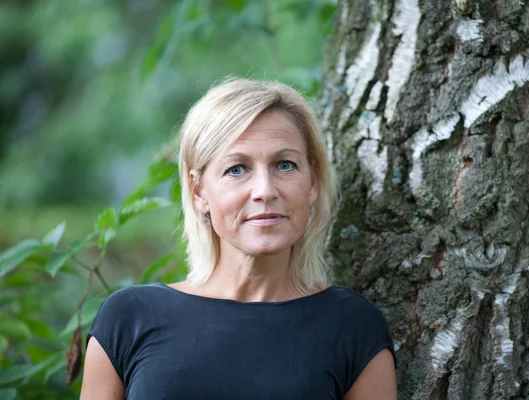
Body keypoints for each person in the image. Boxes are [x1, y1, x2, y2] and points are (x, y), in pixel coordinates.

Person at [80, 78, 397, 399]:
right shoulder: (128, 319)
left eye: (284, 165)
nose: (265, 191)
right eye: (237, 169)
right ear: (198, 191)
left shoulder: (353, 326)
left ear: (312, 182)